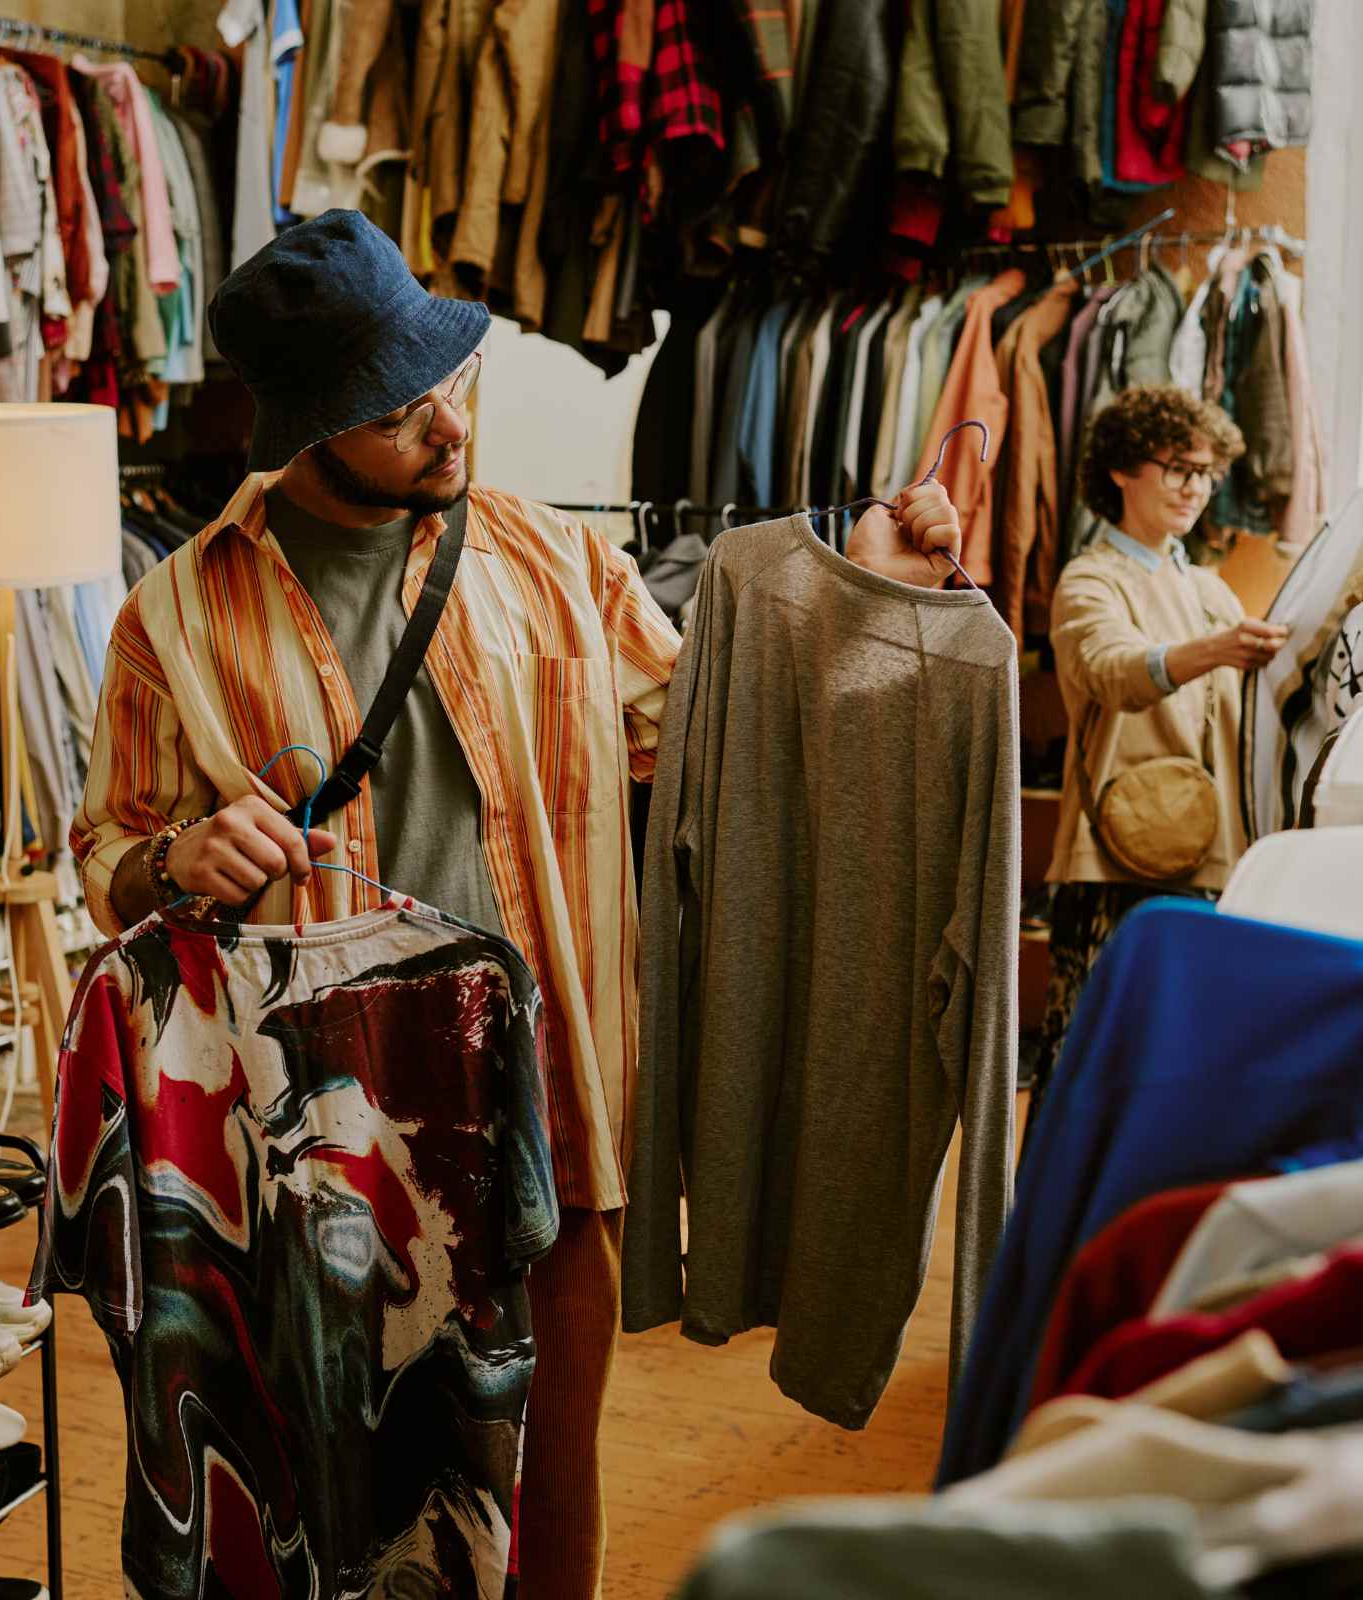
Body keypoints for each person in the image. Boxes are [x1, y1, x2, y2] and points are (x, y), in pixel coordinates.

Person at [71, 210, 966, 1597]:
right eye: (397, 412)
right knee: (347, 1474)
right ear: (309, 430)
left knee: (552, 1469)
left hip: (548, 1097)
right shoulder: (176, 616)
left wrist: (873, 594)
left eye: (449, 382)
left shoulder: (553, 560)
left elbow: (724, 738)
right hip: (332, 1136)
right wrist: (177, 856)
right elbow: (108, 854)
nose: (448, 425)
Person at [1038, 384, 1289, 1108]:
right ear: (1122, 469)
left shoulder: (1211, 590)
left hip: (1213, 856)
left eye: (1206, 472)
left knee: (1175, 1074)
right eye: (1177, 467)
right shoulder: (1091, 577)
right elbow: (1111, 669)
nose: (1194, 488)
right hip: (1117, 857)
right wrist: (1214, 650)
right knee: (1089, 1063)